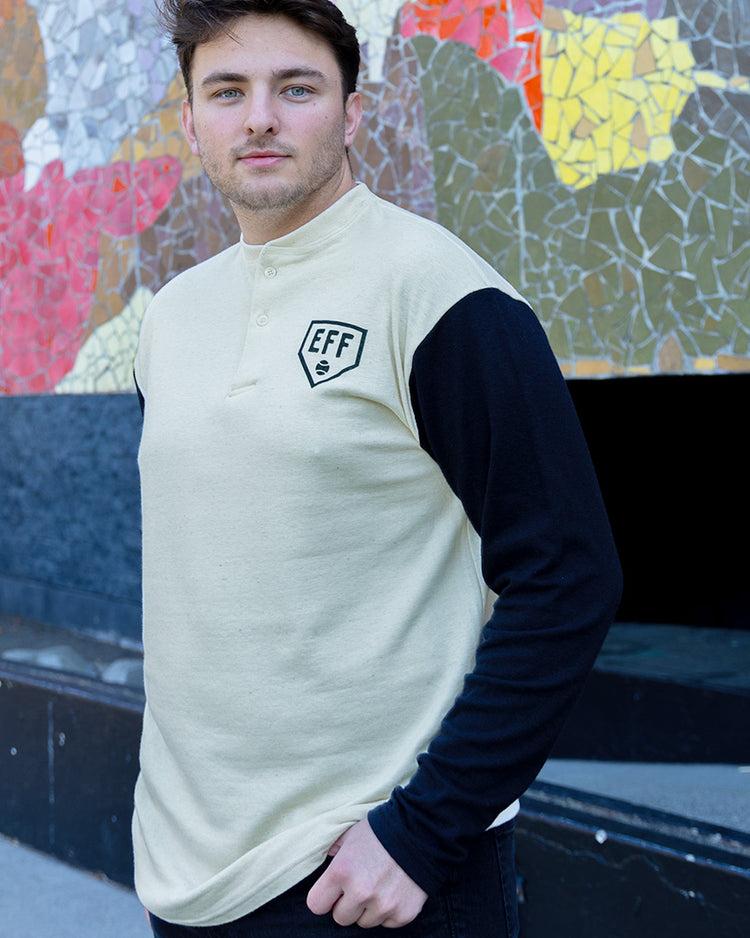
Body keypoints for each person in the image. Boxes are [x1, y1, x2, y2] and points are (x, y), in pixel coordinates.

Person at [132, 1, 622, 935]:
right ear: (191, 121)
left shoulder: (441, 293)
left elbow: (568, 573)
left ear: (353, 113)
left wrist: (425, 831)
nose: (261, 118)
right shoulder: (171, 319)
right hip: (182, 868)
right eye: (227, 91)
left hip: (371, 877)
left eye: (298, 88)